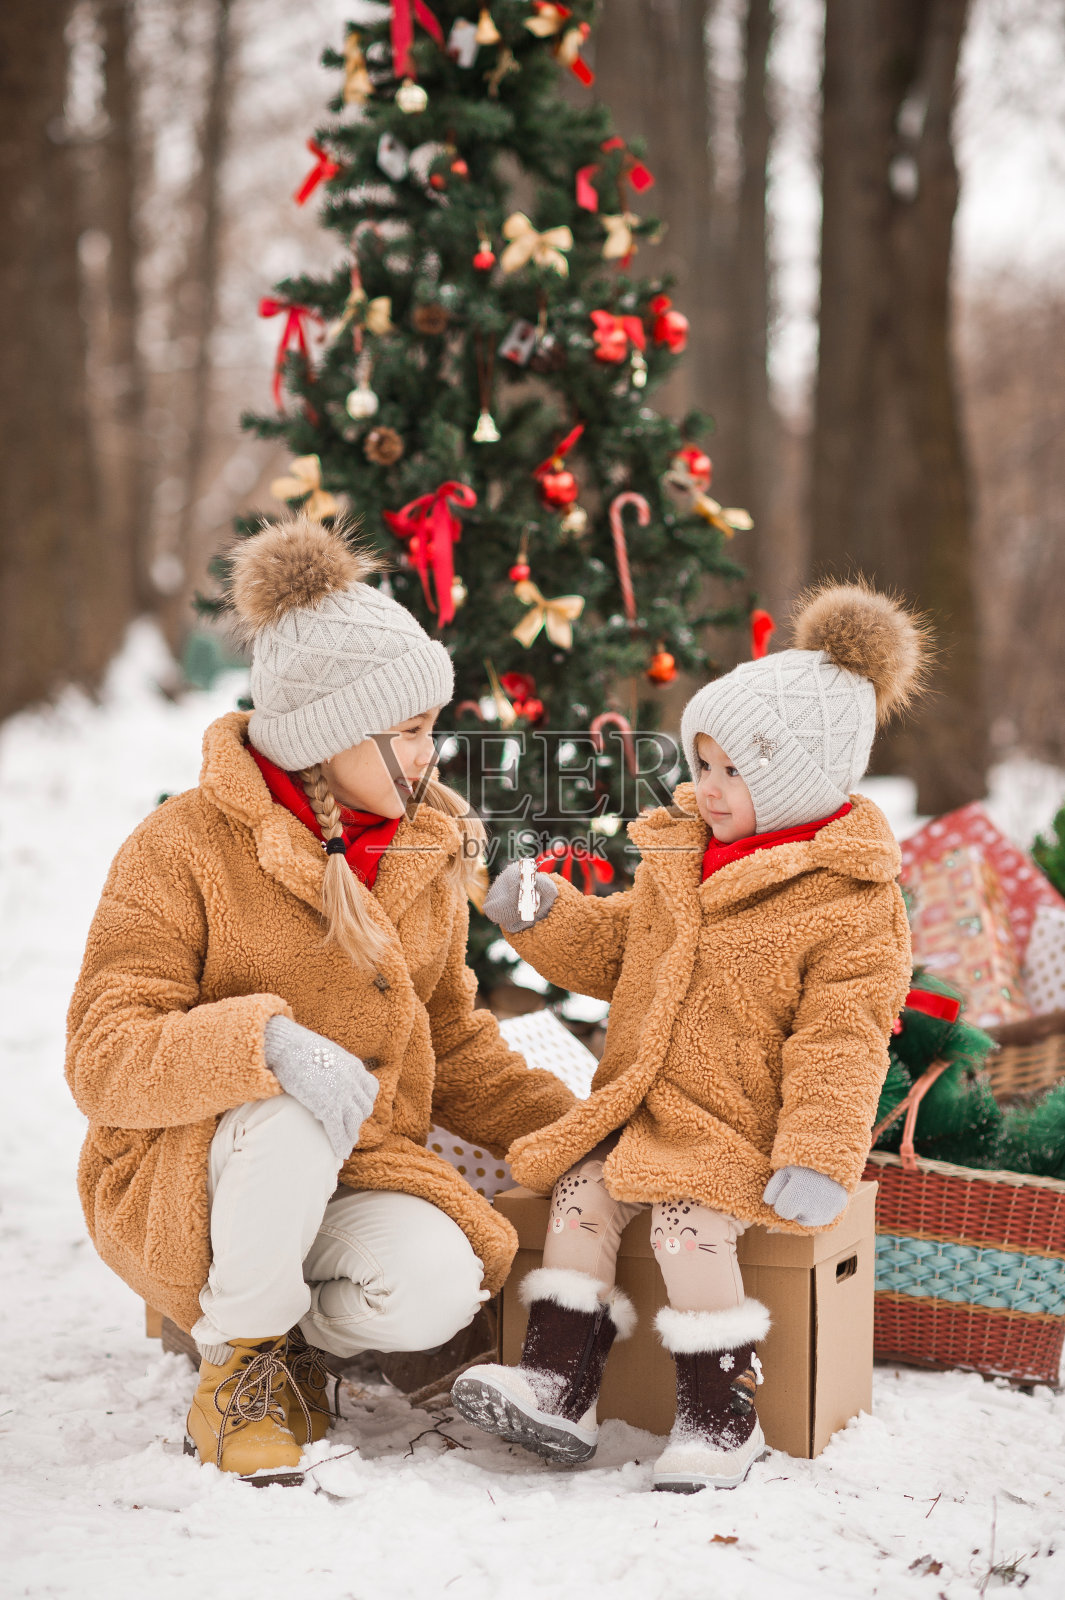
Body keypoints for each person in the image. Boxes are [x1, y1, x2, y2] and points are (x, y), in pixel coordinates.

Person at [65, 516, 574, 1486]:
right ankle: (239, 1368)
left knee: (438, 1285)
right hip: (193, 1170)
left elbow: (454, 1038)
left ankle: (281, 1330)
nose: (434, 754)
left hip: (355, 1162)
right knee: (288, 1102)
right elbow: (102, 1055)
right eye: (414, 731)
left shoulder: (425, 846)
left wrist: (571, 1128)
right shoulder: (182, 848)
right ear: (333, 733)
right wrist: (265, 1045)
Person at [452, 582, 924, 1493]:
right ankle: (558, 1387)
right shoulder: (681, 859)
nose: (704, 788)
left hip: (738, 1130)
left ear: (795, 782)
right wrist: (546, 914)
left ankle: (721, 1415)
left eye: (732, 772)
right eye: (700, 763)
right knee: (582, 1201)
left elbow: (842, 1037)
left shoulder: (846, 904)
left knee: (682, 1230)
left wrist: (820, 1152)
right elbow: (618, 949)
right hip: (641, 1108)